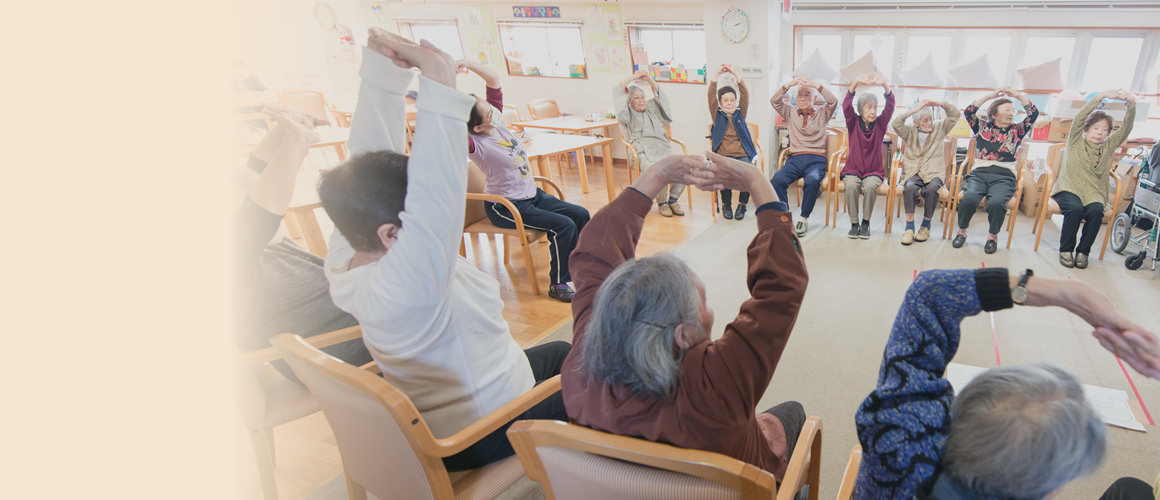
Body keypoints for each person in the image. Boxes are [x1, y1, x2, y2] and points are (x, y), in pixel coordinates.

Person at [318, 31, 570, 471]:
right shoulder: (409, 283)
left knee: (566, 353)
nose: (424, 217)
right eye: (413, 218)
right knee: (604, 381)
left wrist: (381, 73)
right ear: (392, 234)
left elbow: (368, 157)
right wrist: (437, 75)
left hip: (466, 404)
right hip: (483, 430)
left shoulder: (349, 250)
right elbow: (438, 186)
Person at [561, 150, 810, 481]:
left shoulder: (584, 359)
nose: (709, 310)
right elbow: (783, 286)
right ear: (683, 334)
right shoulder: (719, 381)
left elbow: (595, 254)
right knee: (793, 413)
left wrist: (658, 173)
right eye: (702, 301)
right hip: (731, 481)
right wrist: (757, 182)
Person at [855, 267, 1160, 499]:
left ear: (958, 411)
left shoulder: (897, 435)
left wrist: (1064, 293)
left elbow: (928, 294)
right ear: (1050, 488)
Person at [235, 105, 371, 383]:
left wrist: (287, 130)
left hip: (345, 328)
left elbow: (253, 174)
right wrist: (296, 141)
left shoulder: (247, 248)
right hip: (335, 353)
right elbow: (260, 213)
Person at [460, 58, 590, 302]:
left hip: (532, 195)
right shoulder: (474, 144)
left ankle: (580, 268)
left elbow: (493, 79)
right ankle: (558, 283)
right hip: (505, 206)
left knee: (581, 214)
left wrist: (466, 63)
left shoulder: (496, 124)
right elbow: (445, 124)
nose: (494, 111)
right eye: (488, 111)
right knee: (563, 226)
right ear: (476, 127)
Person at [1052, 90, 1137, 269]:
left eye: (1104, 130)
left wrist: (1131, 105)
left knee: (1096, 211)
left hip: (1094, 192)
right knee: (1075, 209)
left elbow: (1125, 130)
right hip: (1069, 188)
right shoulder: (1075, 141)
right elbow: (1079, 118)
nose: (1100, 133)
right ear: (1086, 129)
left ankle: (1083, 252)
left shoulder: (1107, 146)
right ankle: (1065, 250)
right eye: (1096, 128)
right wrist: (1100, 98)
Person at [953, 87, 1039, 254]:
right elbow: (969, 112)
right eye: (1007, 109)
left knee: (996, 203)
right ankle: (961, 232)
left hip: (1004, 176)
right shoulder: (981, 127)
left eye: (1013, 110)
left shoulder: (1017, 130)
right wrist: (989, 96)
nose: (1012, 112)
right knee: (969, 198)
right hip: (980, 173)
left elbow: (1033, 115)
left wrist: (1018, 96)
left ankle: (992, 237)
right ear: (994, 113)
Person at [771, 76, 840, 236]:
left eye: (807, 95)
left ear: (814, 98)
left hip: (816, 159)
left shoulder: (823, 113)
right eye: (800, 95)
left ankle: (803, 218)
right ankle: (784, 216)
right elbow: (774, 101)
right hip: (795, 159)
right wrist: (788, 85)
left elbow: (834, 101)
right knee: (778, 179)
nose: (802, 98)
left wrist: (816, 84)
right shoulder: (790, 112)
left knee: (812, 180)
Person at [614, 69, 685, 217]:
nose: (641, 101)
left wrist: (649, 79)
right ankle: (662, 203)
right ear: (629, 101)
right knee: (660, 172)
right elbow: (619, 89)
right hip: (643, 152)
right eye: (636, 98)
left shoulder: (651, 107)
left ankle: (673, 200)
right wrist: (634, 77)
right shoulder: (627, 113)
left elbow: (659, 95)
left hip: (662, 148)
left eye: (642, 97)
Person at [891, 99, 961, 245]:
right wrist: (912, 112)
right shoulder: (909, 131)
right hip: (913, 172)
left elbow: (955, 115)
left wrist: (941, 104)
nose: (929, 123)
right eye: (924, 120)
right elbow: (895, 123)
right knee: (909, 187)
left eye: (930, 119)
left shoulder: (939, 128)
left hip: (934, 172)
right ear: (916, 123)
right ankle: (909, 228)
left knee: (931, 189)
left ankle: (925, 226)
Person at [841, 73, 895, 240]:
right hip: (853, 169)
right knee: (850, 186)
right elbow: (846, 105)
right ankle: (854, 223)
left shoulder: (880, 124)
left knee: (871, 187)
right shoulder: (853, 122)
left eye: (875, 107)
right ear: (861, 109)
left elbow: (891, 106)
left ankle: (865, 223)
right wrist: (856, 81)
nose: (873, 111)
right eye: (868, 107)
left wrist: (884, 85)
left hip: (874, 171)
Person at [708, 64, 756, 220]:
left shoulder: (740, 114)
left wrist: (734, 72)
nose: (729, 103)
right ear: (720, 103)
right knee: (723, 174)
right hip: (723, 155)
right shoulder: (717, 115)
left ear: (736, 102)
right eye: (725, 100)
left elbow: (745, 92)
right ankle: (726, 204)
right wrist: (717, 74)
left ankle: (742, 205)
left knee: (749, 173)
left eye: (732, 100)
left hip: (742, 155)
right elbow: (710, 94)